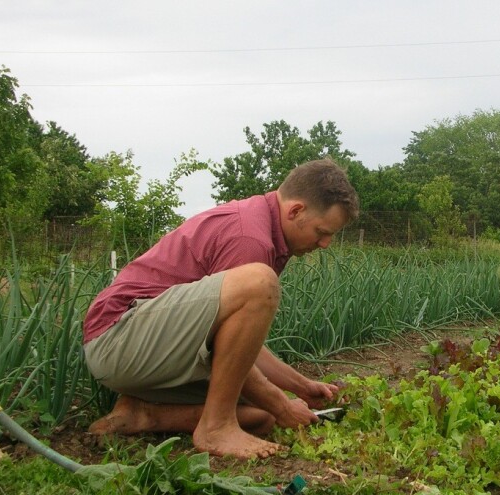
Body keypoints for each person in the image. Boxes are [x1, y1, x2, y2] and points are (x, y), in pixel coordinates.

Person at [82, 158, 359, 459]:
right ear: (295, 211)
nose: (325, 244)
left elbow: (236, 346)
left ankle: (144, 412)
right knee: (259, 282)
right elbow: (227, 344)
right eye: (322, 232)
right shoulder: (249, 237)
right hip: (119, 338)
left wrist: (301, 387)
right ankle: (216, 427)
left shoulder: (263, 224)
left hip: (147, 349)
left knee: (261, 415)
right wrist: (283, 406)